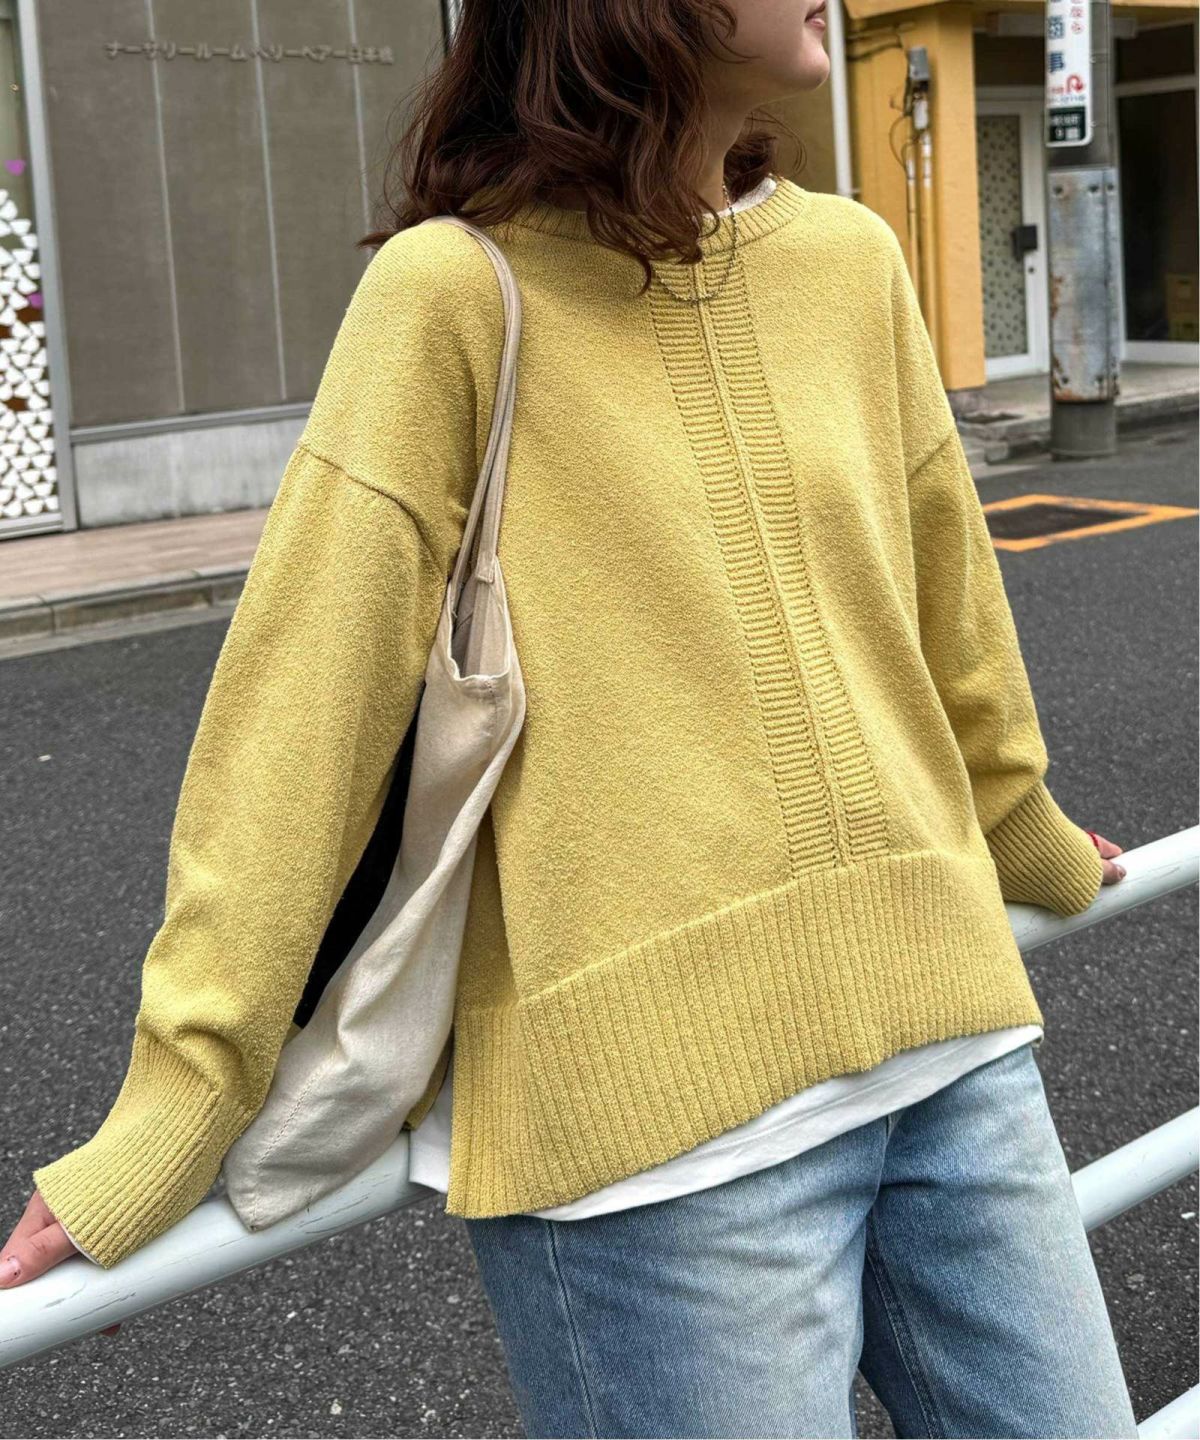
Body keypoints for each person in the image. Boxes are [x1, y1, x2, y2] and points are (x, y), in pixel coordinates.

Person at [3, 1, 1138, 1434]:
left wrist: (1020, 827)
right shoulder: (453, 293)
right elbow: (301, 713)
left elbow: (944, 601)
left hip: (957, 1053)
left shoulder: (851, 261)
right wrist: (179, 1103)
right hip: (651, 1157)